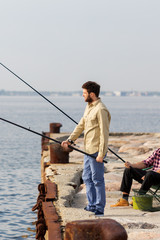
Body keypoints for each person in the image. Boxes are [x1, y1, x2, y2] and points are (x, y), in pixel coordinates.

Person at [61, 81, 111, 216]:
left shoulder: (101, 109)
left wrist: (101, 153)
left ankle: (99, 207)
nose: (82, 96)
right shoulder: (89, 107)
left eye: (84, 93)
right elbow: (81, 125)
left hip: (96, 151)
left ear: (92, 94)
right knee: (87, 177)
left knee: (97, 179)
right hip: (87, 150)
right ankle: (92, 204)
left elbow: (104, 134)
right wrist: (71, 139)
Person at [110, 128, 160, 207]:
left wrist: (149, 175)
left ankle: (139, 197)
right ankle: (124, 199)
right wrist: (132, 165)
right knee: (128, 170)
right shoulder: (159, 151)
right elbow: (146, 163)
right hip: (152, 176)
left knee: (150, 173)